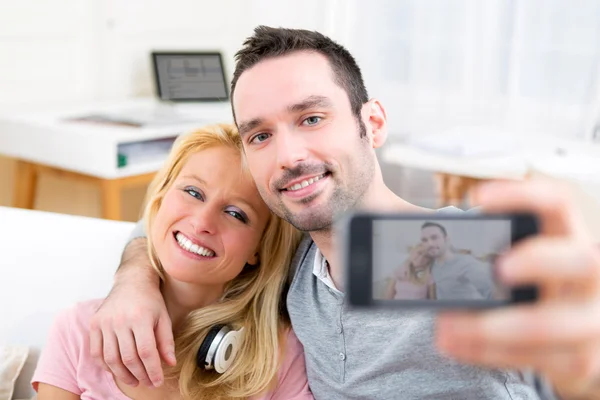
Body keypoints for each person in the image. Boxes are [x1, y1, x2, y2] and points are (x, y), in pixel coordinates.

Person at [89, 26, 600, 400]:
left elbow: (567, 318)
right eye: (261, 135)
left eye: (312, 118)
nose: (288, 155)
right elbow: (168, 220)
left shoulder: (448, 250)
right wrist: (133, 280)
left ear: (371, 123)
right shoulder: (290, 262)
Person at [31, 123, 313, 400]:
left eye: (236, 214)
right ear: (161, 198)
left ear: (259, 248)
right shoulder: (78, 330)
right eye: (193, 192)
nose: (202, 222)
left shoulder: (279, 358)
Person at [420, 221, 494, 300]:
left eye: (434, 238)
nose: (430, 244)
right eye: (425, 240)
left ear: (446, 239)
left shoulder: (465, 263)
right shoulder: (432, 265)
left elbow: (489, 292)